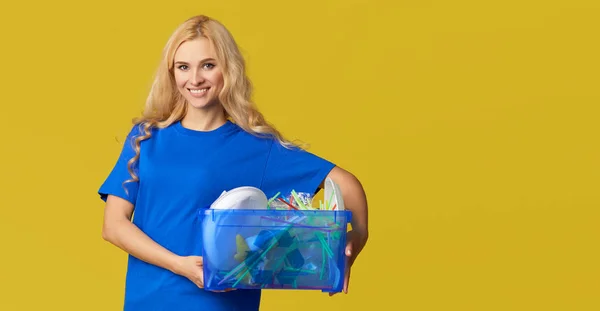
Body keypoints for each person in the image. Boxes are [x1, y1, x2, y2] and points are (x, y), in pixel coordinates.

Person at [98, 15, 369, 311]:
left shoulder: (257, 148)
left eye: (208, 65)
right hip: (145, 301)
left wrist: (351, 245)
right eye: (183, 67)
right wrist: (179, 266)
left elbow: (346, 183)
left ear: (228, 68)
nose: (195, 79)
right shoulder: (146, 138)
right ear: (172, 73)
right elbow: (113, 226)